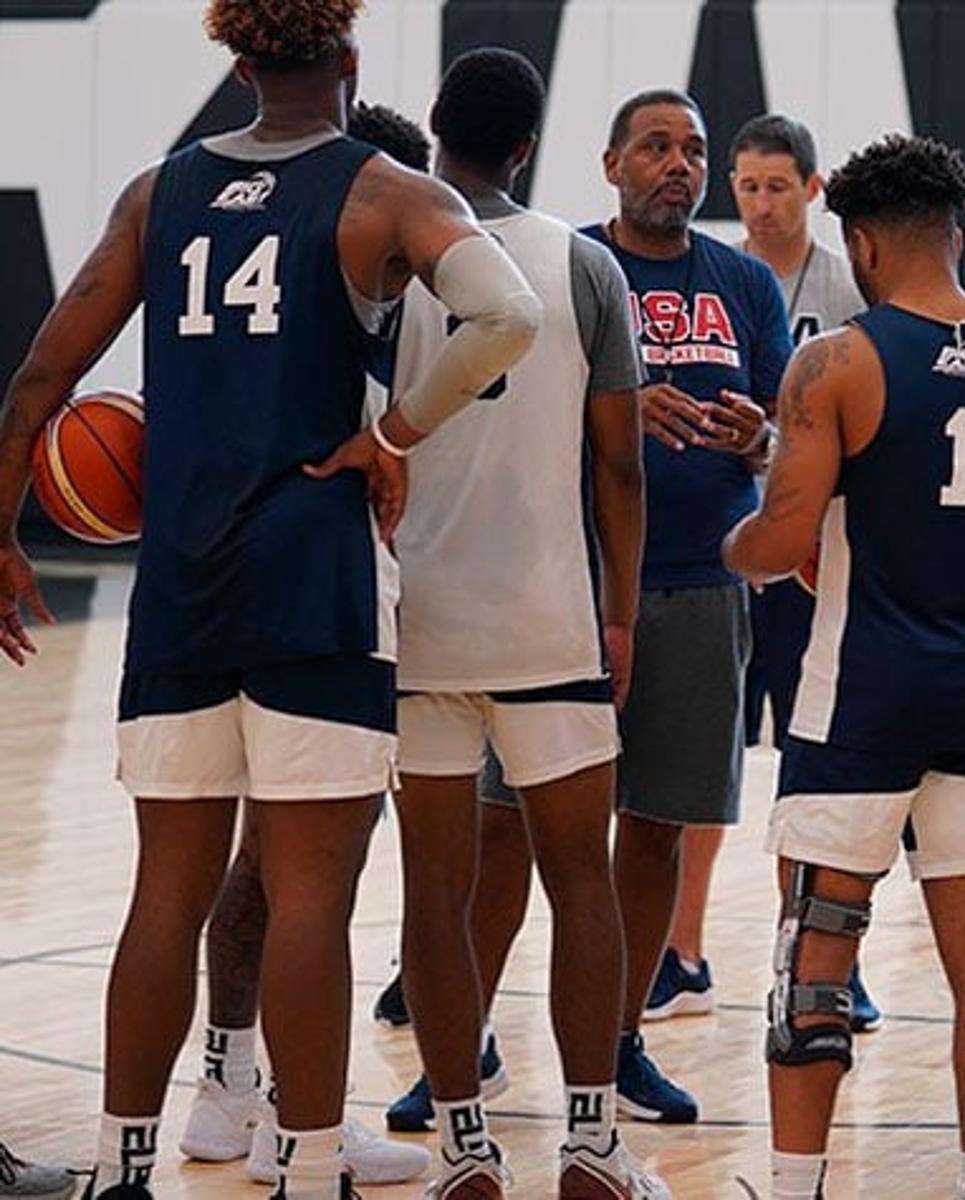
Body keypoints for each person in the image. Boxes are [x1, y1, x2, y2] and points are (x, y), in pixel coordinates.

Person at [0, 1, 542, 1196]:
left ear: (240, 66)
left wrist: (2, 529)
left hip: (183, 594)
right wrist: (394, 431)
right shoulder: (384, 193)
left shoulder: (158, 194)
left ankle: (117, 1168)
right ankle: (301, 1169)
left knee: (163, 896)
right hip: (315, 585)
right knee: (309, 896)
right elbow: (512, 314)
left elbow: (43, 375)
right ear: (349, 62)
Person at [722, 131, 965, 1200]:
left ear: (864, 244)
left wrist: (734, 547)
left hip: (862, 696)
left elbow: (781, 533)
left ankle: (796, 1187)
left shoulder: (835, 361)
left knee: (819, 948)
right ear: (956, 234)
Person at [376, 48, 663, 1198]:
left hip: (421, 622)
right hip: (550, 621)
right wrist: (623, 614)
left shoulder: (382, 256)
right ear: (532, 147)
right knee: (579, 883)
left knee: (434, 898)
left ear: (433, 132)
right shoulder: (583, 263)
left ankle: (460, 1148)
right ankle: (591, 1142)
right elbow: (623, 466)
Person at [178, 97, 438, 1187]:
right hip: (335, 593)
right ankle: (295, 1118)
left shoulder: (229, 256)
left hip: (225, 584)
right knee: (312, 871)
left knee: (248, 862)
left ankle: (224, 1085)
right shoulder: (383, 288)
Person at [588, 87, 794, 1125]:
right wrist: (616, 419)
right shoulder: (576, 264)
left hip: (703, 585)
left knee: (658, 828)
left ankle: (621, 1041)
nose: (679, 164)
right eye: (656, 147)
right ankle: (464, 1045)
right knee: (507, 832)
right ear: (611, 162)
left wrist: (759, 437)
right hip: (575, 592)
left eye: (693, 149)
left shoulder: (748, 286)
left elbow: (791, 442)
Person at [659, 110, 881, 1034]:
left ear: (813, 190)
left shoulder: (849, 289)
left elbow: (863, 426)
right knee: (695, 772)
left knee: (814, 768)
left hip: (810, 558)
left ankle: (821, 953)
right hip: (721, 548)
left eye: (777, 186)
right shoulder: (713, 284)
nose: (759, 203)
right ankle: (680, 951)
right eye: (746, 186)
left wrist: (773, 444)